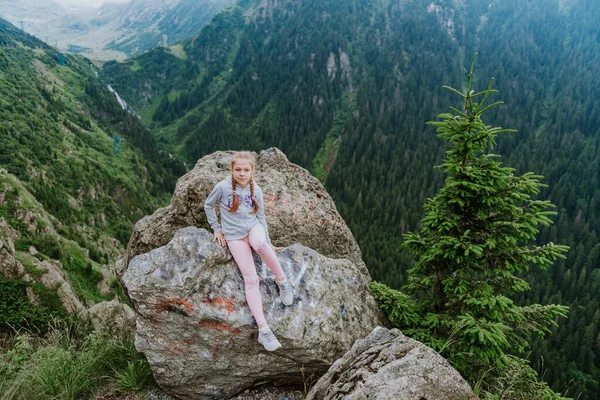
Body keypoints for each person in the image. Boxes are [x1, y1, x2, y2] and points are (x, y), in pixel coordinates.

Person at [204, 151, 293, 351]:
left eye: (246, 170)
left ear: (252, 171)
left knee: (261, 246)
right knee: (251, 279)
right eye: (238, 170)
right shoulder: (222, 187)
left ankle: (282, 281)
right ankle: (263, 329)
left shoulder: (256, 190)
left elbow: (260, 217)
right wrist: (217, 229)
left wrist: (268, 241)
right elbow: (208, 205)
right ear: (232, 170)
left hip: (253, 228)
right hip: (234, 236)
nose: (242, 173)